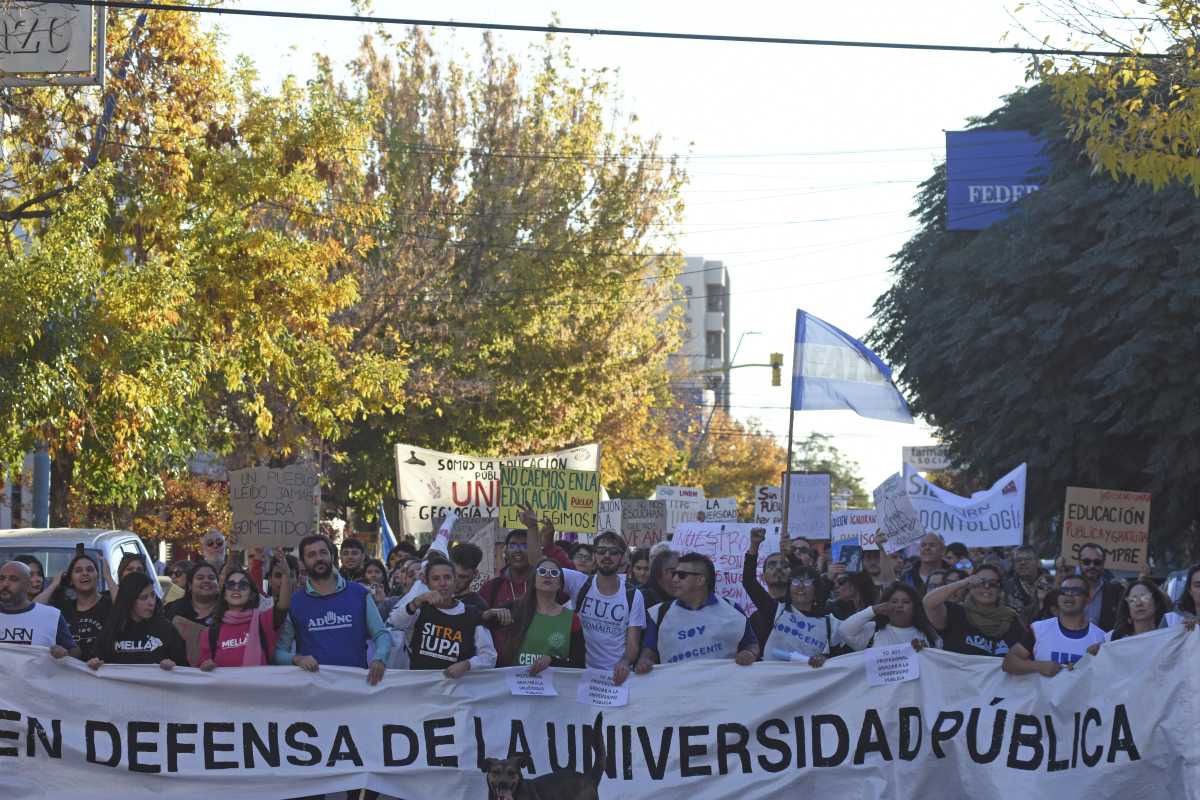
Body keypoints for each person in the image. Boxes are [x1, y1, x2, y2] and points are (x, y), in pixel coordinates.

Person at [533, 518, 644, 685]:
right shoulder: (579, 582)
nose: (607, 556)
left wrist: (625, 661)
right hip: (579, 675)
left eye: (613, 552)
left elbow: (633, 643)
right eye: (601, 551)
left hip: (614, 679)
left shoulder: (634, 595)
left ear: (622, 558)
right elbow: (538, 566)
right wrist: (536, 531)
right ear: (594, 556)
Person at [273, 534, 391, 684]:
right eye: (311, 555)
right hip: (314, 690)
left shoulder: (359, 593)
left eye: (323, 552)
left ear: (332, 555)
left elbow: (381, 634)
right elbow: (279, 653)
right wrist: (297, 659)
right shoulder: (296, 601)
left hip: (357, 687)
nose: (319, 558)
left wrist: (380, 658)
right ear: (303, 562)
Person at [636, 553, 758, 670]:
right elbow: (649, 651)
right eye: (674, 574)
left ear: (700, 580)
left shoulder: (732, 608)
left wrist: (748, 653)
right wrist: (644, 662)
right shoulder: (659, 613)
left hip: (723, 687)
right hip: (677, 689)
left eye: (681, 575)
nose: (675, 579)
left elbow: (751, 643)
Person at [389, 555, 496, 678]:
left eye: (447, 577)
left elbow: (489, 656)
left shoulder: (472, 614)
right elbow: (395, 622)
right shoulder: (420, 609)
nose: (442, 583)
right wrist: (416, 601)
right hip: (420, 689)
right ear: (427, 583)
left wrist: (468, 664)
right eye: (435, 579)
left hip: (457, 691)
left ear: (455, 581)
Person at [490, 558, 584, 670]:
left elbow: (579, 664)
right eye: (542, 571)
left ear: (560, 584)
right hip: (516, 684)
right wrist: (489, 614)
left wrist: (552, 661)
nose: (547, 575)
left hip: (553, 686)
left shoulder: (572, 619)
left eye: (554, 573)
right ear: (534, 580)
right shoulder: (516, 609)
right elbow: (482, 623)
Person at [1003, 574, 1105, 676]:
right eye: (1063, 591)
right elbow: (1008, 663)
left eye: (1076, 591)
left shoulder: (1101, 638)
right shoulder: (1038, 629)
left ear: (1088, 599)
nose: (1068, 594)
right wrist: (1039, 666)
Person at [198, 557, 291, 669]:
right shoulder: (209, 634)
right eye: (231, 585)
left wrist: (286, 574)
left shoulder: (263, 622)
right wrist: (206, 665)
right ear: (224, 594)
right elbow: (201, 667)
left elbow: (283, 606)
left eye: (243, 585)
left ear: (251, 595)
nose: (236, 588)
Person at [88, 572, 187, 670]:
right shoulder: (112, 629)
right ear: (129, 599)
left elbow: (185, 668)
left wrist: (173, 666)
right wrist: (95, 664)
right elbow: (94, 661)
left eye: (153, 595)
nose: (151, 602)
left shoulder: (166, 629)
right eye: (144, 598)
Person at [924, 564, 1026, 657]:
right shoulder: (955, 613)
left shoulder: (1010, 618)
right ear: (971, 587)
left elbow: (1023, 655)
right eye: (980, 582)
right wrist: (963, 582)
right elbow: (928, 603)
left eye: (993, 583)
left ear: (1000, 590)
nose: (986, 587)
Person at [758, 565, 845, 666]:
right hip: (773, 679)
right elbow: (748, 581)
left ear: (815, 589)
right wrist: (753, 550)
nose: (800, 586)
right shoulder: (776, 611)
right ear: (789, 588)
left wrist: (824, 658)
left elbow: (839, 660)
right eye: (795, 582)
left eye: (807, 582)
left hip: (808, 680)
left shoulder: (830, 624)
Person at [478, 520, 573, 609]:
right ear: (505, 552)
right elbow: (479, 617)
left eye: (525, 545)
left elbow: (572, 582)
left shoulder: (547, 584)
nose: (518, 550)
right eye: (513, 545)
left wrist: (550, 546)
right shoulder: (492, 587)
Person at [42, 553, 113, 660]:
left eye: (90, 569)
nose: (85, 573)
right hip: (71, 674)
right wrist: (54, 584)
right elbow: (34, 610)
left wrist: (108, 577)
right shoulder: (63, 609)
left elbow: (126, 609)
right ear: (71, 580)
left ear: (97, 576)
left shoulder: (110, 604)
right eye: (78, 571)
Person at [0, 560, 77, 658]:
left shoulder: (51, 616)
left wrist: (65, 653)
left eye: (13, 579)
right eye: (1, 578)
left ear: (27, 584)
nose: (5, 584)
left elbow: (75, 652)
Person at [841, 582, 938, 650]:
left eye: (906, 602)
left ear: (915, 607)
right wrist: (873, 610)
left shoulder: (928, 634)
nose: (899, 606)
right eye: (894, 602)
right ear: (885, 604)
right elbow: (844, 631)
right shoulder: (873, 630)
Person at [1058, 543, 1122, 631]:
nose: (1092, 566)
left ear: (1103, 564)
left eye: (1097, 562)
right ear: (1079, 563)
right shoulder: (1066, 590)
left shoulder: (1116, 592)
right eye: (1087, 562)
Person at [742, 527, 789, 647]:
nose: (778, 568)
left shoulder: (800, 606)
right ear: (763, 576)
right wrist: (754, 546)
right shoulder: (755, 617)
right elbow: (749, 581)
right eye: (772, 565)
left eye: (784, 565)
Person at [1102, 578, 1172, 643]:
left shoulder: (1170, 635)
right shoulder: (1112, 638)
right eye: (1132, 600)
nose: (1138, 603)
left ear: (1156, 603)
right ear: (1127, 607)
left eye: (1144, 597)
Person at [164, 561, 220, 626]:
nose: (206, 581)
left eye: (211, 578)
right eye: (200, 578)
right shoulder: (172, 609)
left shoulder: (226, 609)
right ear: (190, 585)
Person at [1003, 545, 1043, 625]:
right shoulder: (1005, 587)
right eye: (1018, 560)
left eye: (1027, 559)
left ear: (1037, 562)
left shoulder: (1050, 584)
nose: (1022, 563)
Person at [449, 542, 487, 612]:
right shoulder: (436, 598)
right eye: (452, 574)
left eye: (462, 577)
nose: (455, 581)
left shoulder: (478, 607)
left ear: (475, 574)